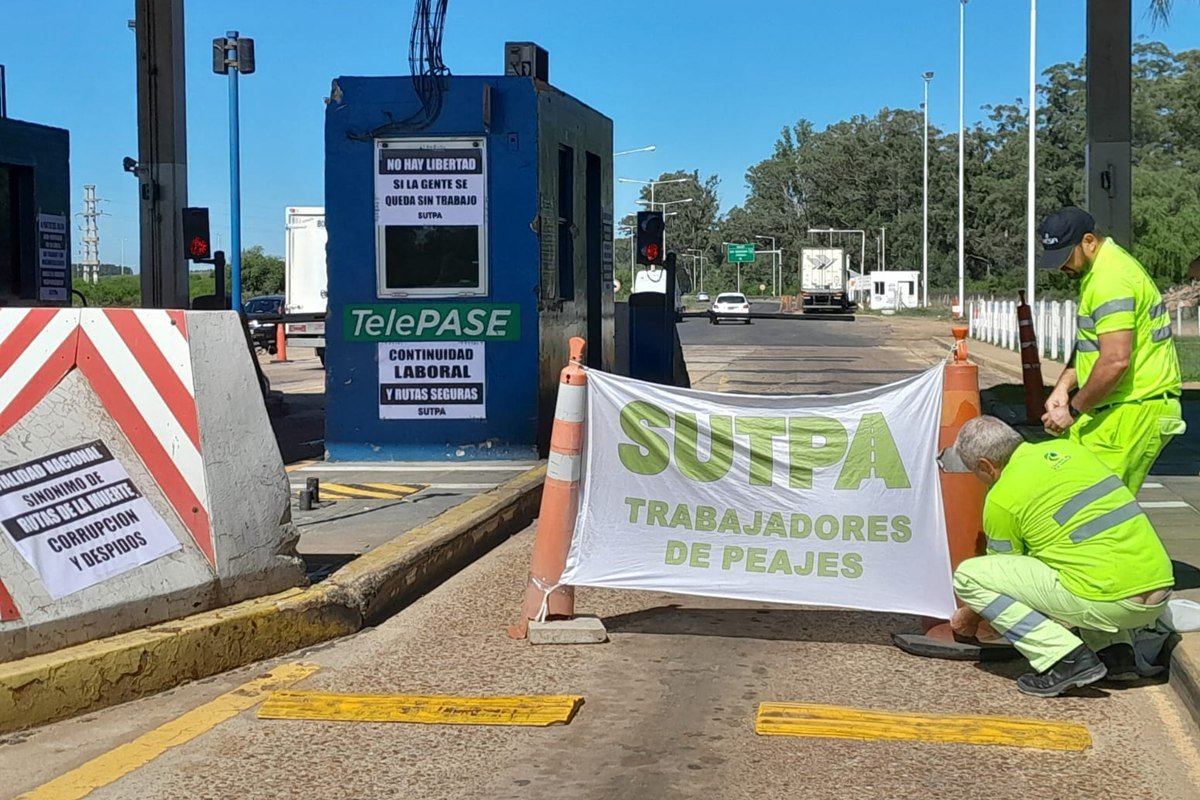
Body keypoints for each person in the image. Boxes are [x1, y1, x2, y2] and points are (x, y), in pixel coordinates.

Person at [945, 416, 1173, 697]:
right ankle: (1116, 655)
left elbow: (1006, 578)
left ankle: (1066, 659)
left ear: (985, 466)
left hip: (1110, 602)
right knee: (1075, 557)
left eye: (972, 471)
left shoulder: (1001, 499)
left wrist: (968, 616)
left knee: (970, 576)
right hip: (1159, 589)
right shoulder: (1072, 450)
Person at [1037, 206, 1185, 493]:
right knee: (1081, 501)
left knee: (1093, 510)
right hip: (1117, 409)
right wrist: (1063, 386)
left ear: (1089, 241)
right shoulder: (1102, 272)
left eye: (1066, 256)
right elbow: (1091, 345)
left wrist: (1074, 409)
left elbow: (1115, 360)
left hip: (1133, 408)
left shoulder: (1111, 280)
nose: (1061, 266)